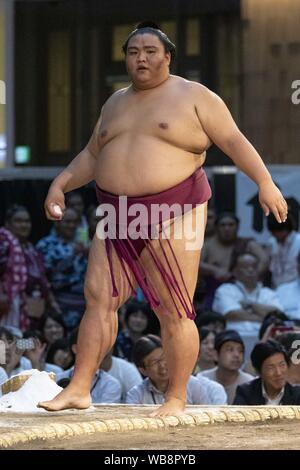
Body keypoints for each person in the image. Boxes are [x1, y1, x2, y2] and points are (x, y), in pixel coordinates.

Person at [38, 21, 288, 415]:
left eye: (150, 51)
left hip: (176, 210)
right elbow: (91, 154)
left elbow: (234, 140)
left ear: (168, 57)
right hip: (117, 209)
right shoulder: (114, 102)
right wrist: (61, 184)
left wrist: (265, 182)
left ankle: (176, 396)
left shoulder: (196, 97)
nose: (141, 58)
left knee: (173, 307)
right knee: (98, 298)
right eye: (133, 52)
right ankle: (80, 386)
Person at [126, 334, 226, 406]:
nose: (163, 366)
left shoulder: (192, 384)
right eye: (155, 362)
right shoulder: (136, 395)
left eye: (165, 358)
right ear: (143, 370)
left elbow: (206, 418)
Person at [233, 339, 300, 405]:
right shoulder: (245, 393)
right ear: (259, 371)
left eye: (282, 365)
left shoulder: (297, 394)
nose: (278, 373)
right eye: (270, 367)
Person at [199, 330, 254, 404]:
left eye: (240, 351)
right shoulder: (202, 379)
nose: (236, 355)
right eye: (230, 350)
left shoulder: (250, 384)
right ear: (216, 354)